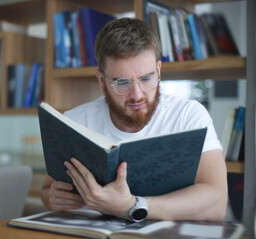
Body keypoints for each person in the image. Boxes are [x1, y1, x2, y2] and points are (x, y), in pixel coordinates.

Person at [41, 17, 227, 222]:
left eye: (146, 78)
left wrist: (133, 206)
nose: (137, 95)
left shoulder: (188, 116)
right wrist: (53, 198)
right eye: (122, 82)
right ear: (102, 81)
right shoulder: (74, 122)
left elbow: (217, 204)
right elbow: (48, 190)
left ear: (158, 70)